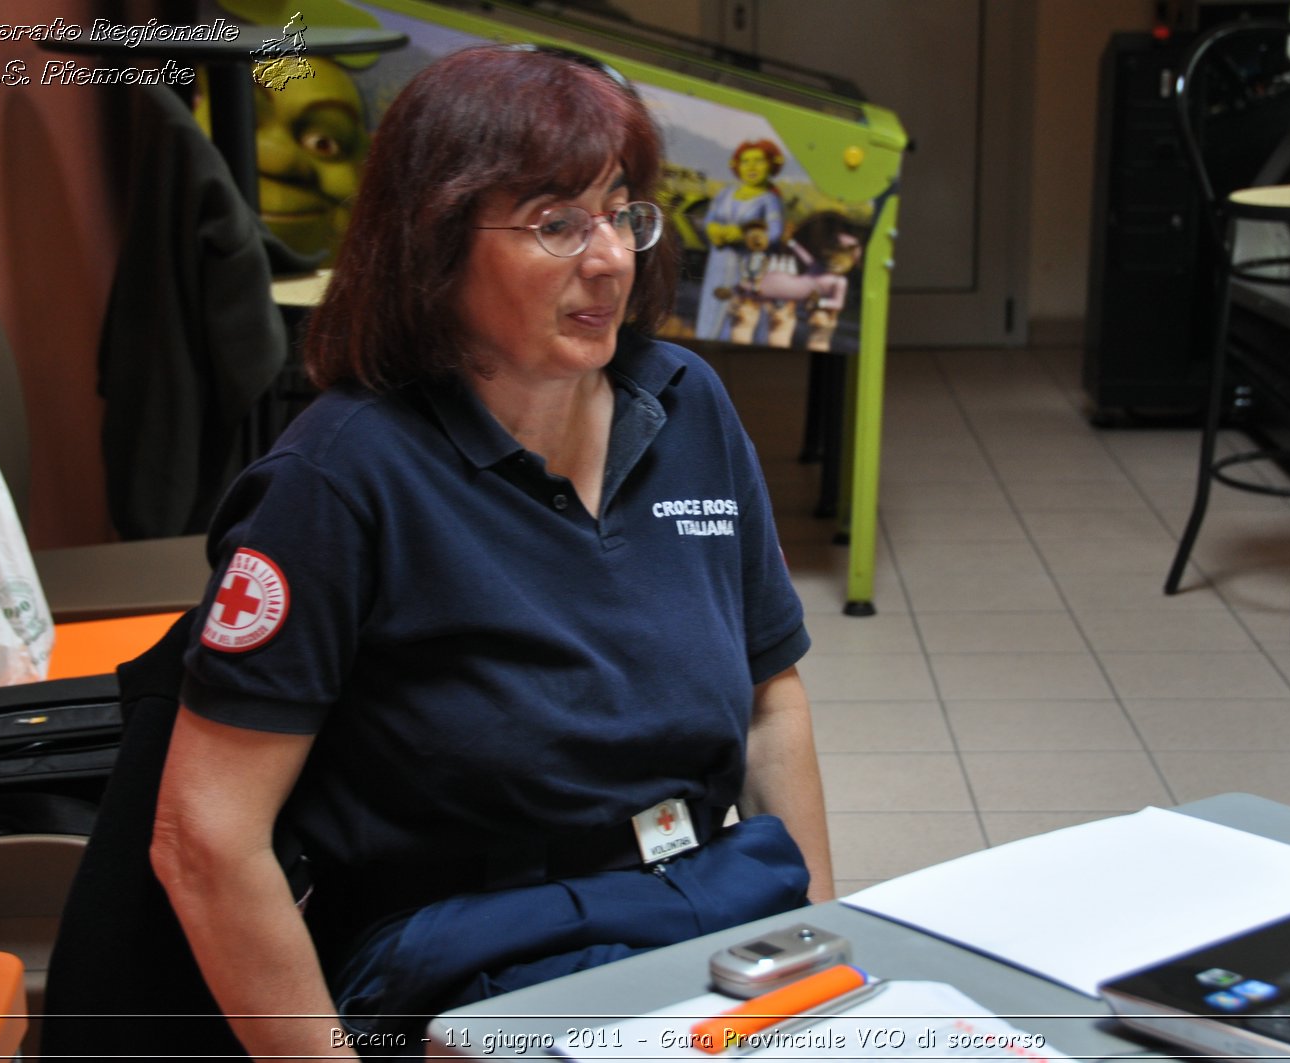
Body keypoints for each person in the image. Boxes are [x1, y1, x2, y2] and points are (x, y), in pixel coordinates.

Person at [149, 44, 834, 1060]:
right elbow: (204, 838)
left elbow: (768, 697)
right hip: (477, 957)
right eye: (556, 223)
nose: (609, 257)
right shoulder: (339, 480)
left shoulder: (684, 402)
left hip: (698, 911)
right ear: (433, 244)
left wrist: (821, 955)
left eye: (621, 211)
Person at [693, 139, 786, 342]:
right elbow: (709, 220)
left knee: (739, 314)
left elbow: (775, 233)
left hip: (747, 267)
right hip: (718, 264)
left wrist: (745, 236)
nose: (751, 167)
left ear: (770, 165)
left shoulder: (769, 200)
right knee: (713, 305)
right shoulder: (725, 194)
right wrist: (714, 230)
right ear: (737, 166)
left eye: (758, 161)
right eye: (745, 161)